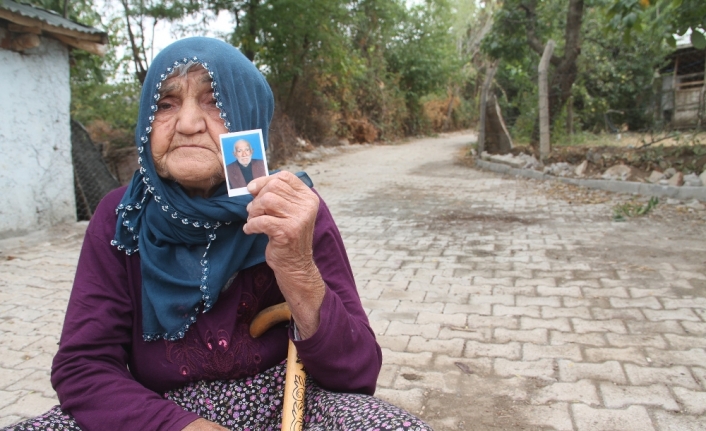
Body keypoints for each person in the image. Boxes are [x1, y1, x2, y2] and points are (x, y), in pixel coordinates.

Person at [3, 37, 432, 431]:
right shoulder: (122, 215)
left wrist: (299, 271)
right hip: (157, 412)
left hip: (291, 406)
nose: (188, 123)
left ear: (248, 117)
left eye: (214, 102)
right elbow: (83, 367)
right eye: (166, 104)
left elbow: (357, 373)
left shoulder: (292, 210)